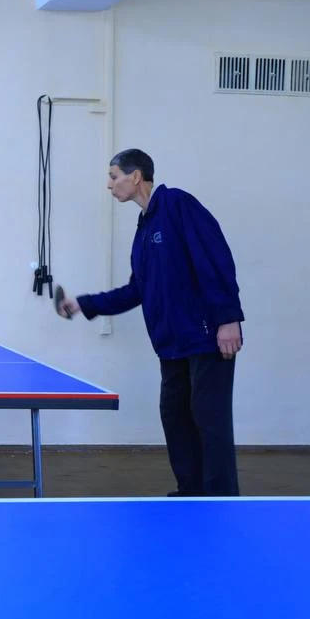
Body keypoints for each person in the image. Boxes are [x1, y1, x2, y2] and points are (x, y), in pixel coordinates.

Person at [57, 149, 244, 497]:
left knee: (210, 421)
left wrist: (228, 318)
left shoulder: (177, 205)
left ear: (136, 176)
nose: (109, 185)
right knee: (175, 417)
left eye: (113, 176)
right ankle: (190, 493)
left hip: (205, 337)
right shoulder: (143, 231)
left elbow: (215, 258)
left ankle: (221, 501)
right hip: (171, 345)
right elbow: (136, 290)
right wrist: (84, 304)